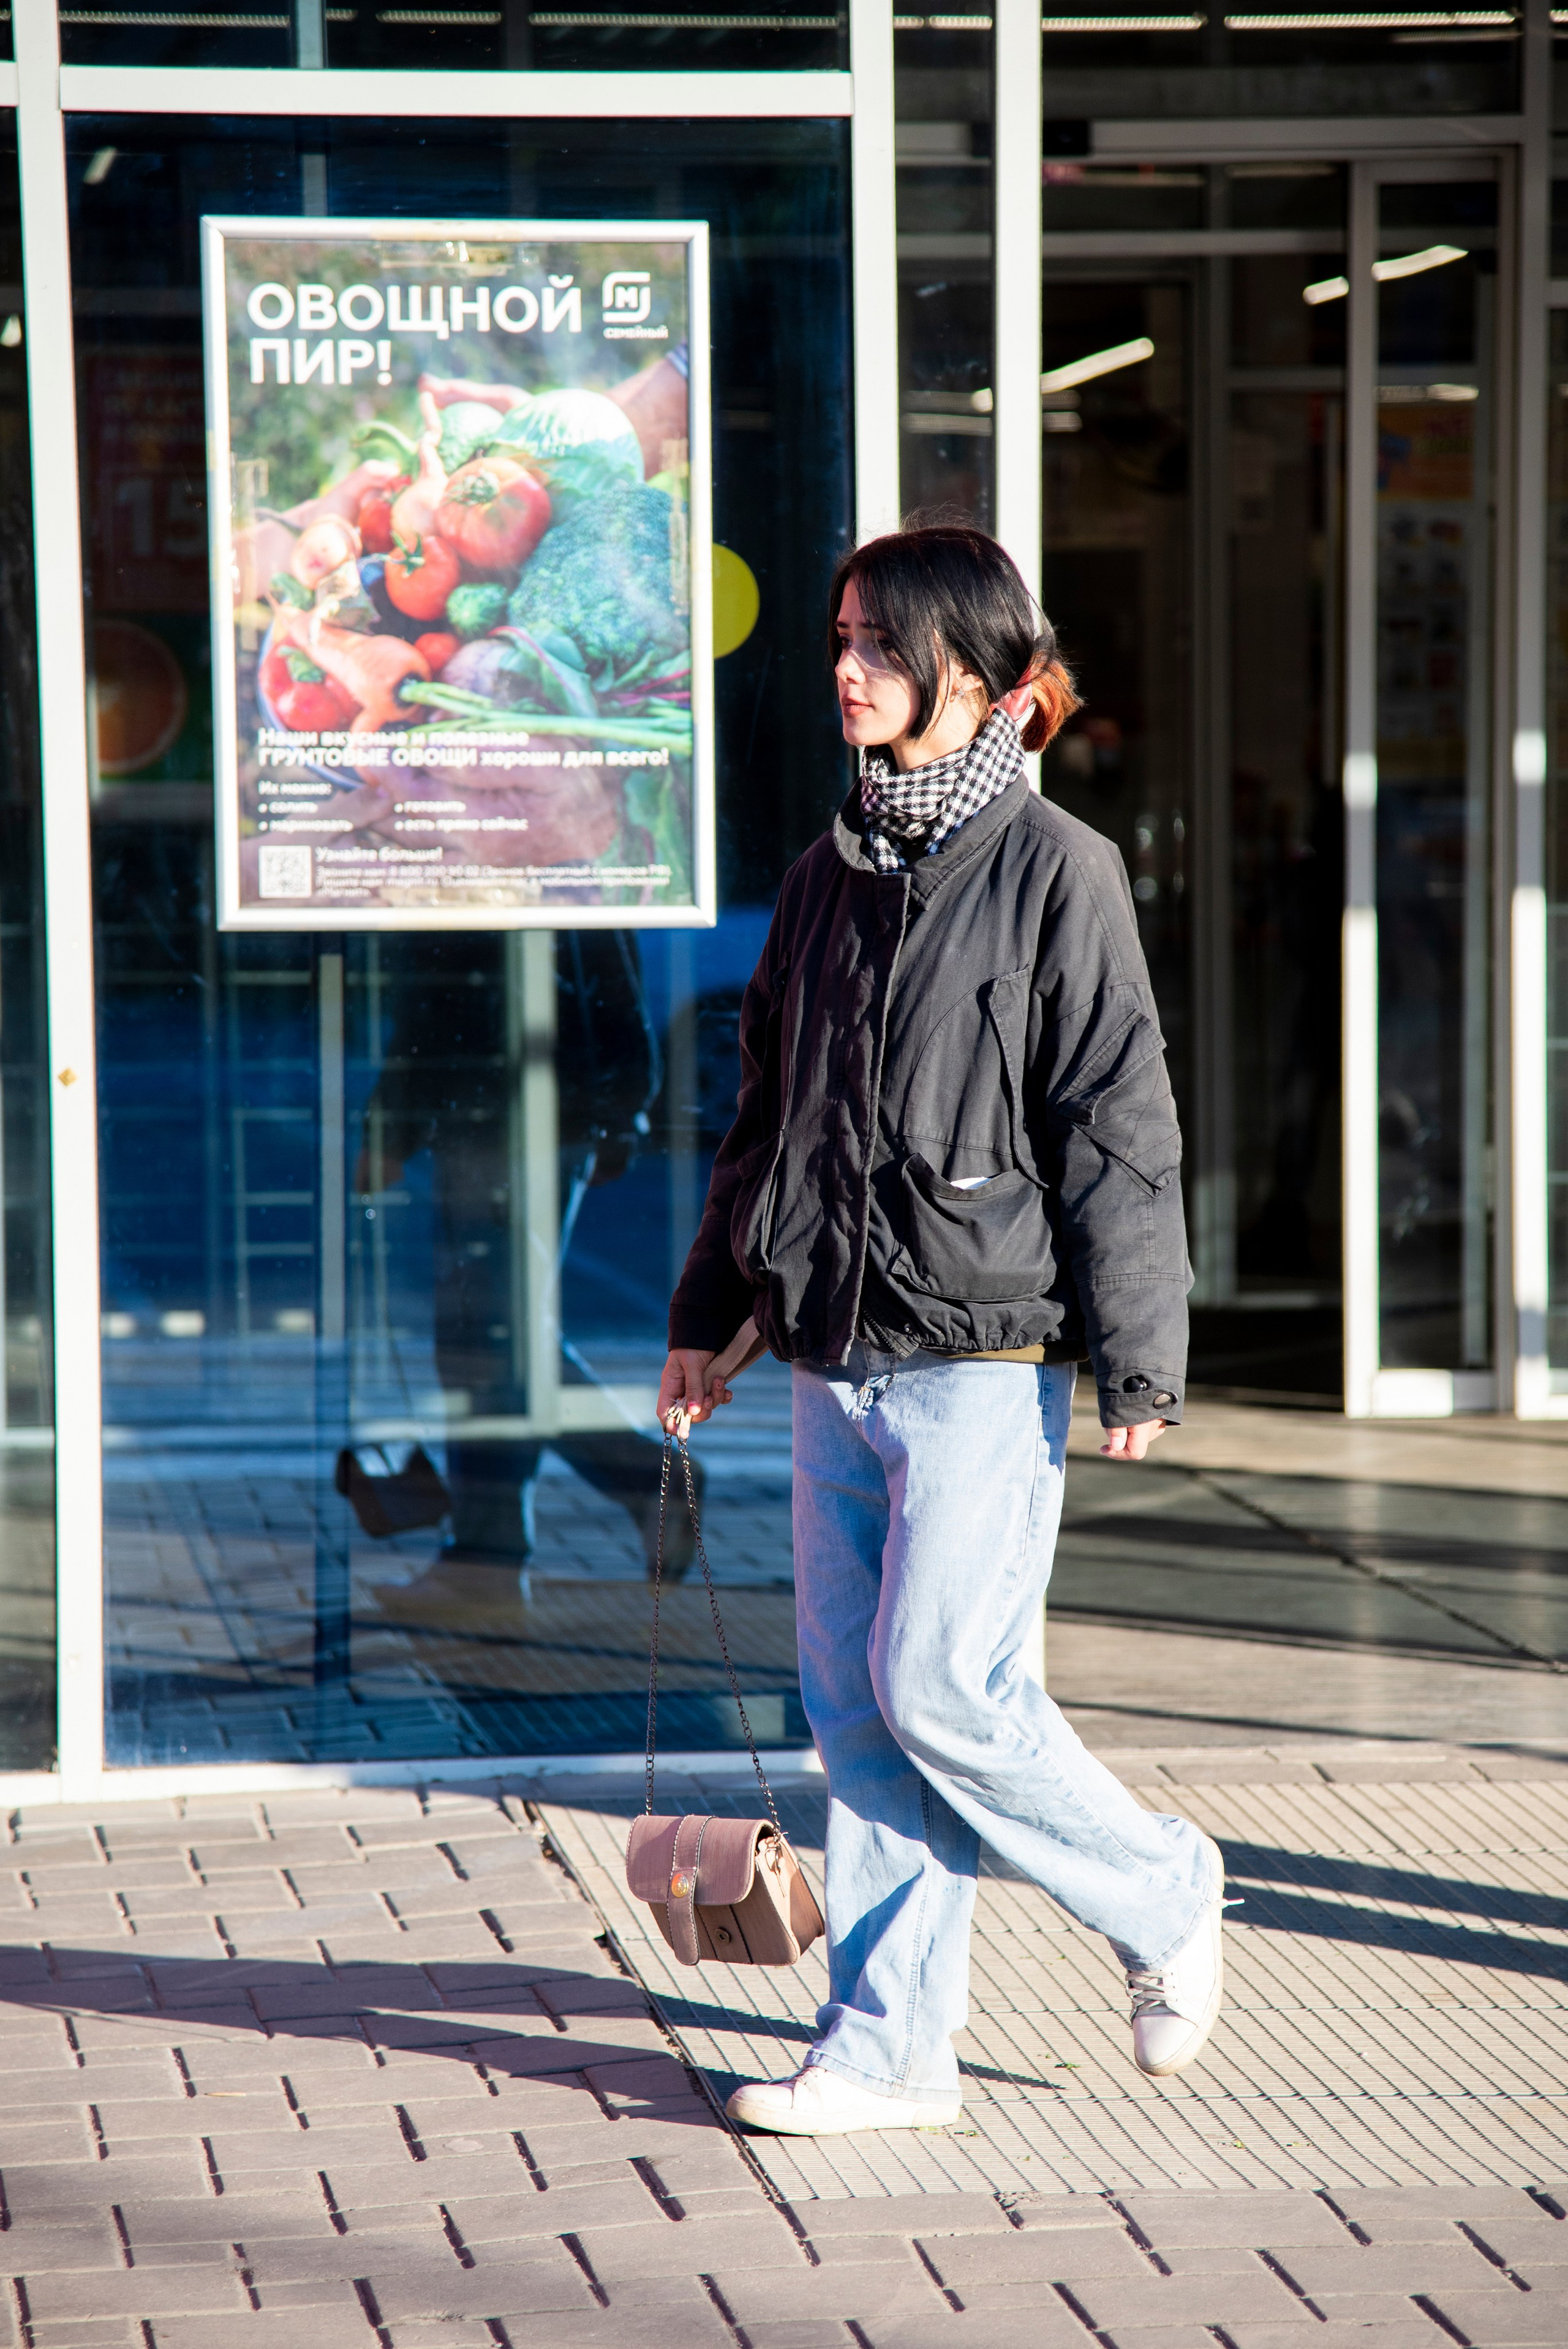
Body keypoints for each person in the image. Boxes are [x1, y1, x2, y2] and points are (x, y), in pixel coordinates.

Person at [657, 521, 1224, 2136]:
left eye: (879, 648)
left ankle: (1165, 1887)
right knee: (853, 1708)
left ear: (968, 678)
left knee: (943, 1688)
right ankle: (889, 2053)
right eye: (841, 638)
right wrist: (711, 1318)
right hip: (832, 1355)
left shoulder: (1063, 872)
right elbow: (766, 1118)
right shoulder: (826, 875)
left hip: (976, 1354)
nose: (845, 668)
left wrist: (1140, 1346)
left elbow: (1119, 1119)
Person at [359, 929, 699, 1624]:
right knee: (503, 1341)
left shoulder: (475, 853)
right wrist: (623, 1109)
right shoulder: (556, 844)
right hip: (535, 1108)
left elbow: (444, 998)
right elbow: (612, 976)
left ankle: (499, 1554)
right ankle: (495, 1553)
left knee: (494, 1346)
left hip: (498, 1112)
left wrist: (389, 1128)